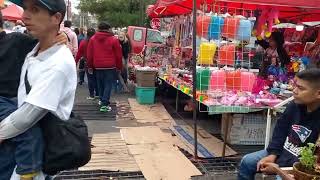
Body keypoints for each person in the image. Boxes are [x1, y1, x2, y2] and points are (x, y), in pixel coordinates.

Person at [1, 0, 76, 179]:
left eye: (34, 9)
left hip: (34, 151)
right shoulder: (33, 51)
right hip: (13, 144)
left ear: (56, 17)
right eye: (25, 9)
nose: (24, 15)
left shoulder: (57, 64)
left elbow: (28, 115)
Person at [238, 68, 320, 180]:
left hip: (301, 167)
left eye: (301, 88)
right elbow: (280, 132)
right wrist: (273, 154)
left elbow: (312, 166)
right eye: (295, 86)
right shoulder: (294, 105)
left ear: (318, 93)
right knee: (247, 161)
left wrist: (279, 170)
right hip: (282, 152)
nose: (294, 91)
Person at [87, 21, 122, 112]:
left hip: (97, 66)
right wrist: (119, 67)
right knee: (108, 84)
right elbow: (118, 55)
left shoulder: (93, 39)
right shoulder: (114, 39)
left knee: (100, 84)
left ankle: (102, 100)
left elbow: (89, 54)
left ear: (98, 28)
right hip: (110, 66)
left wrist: (90, 66)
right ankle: (105, 104)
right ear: (108, 29)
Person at [76, 28, 99, 99]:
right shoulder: (97, 42)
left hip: (88, 63)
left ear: (87, 34)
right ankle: (98, 94)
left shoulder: (83, 42)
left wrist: (75, 62)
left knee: (90, 79)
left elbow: (79, 53)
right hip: (97, 62)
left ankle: (92, 95)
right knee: (97, 78)